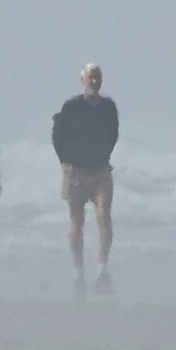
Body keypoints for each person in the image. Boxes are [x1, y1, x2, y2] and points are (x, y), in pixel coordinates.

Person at [52, 63, 119, 297]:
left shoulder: (108, 107)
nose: (94, 81)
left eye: (97, 77)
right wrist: (67, 160)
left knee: (104, 214)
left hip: (100, 168)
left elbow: (114, 133)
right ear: (82, 80)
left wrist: (102, 154)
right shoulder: (71, 107)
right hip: (75, 170)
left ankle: (102, 268)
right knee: (77, 221)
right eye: (90, 77)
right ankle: (78, 272)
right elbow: (58, 136)